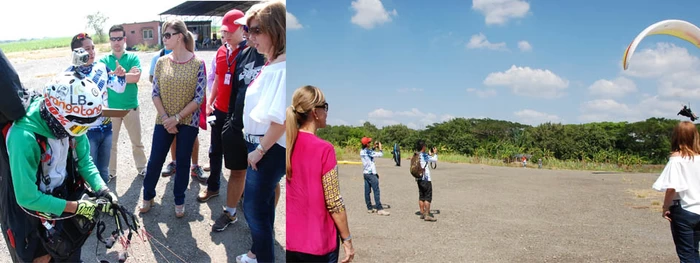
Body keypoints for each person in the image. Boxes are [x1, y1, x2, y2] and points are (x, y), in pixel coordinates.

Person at [3, 71, 119, 262]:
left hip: (61, 198)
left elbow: (84, 161)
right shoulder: (23, 138)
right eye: (79, 128)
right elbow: (27, 197)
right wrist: (76, 208)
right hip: (31, 215)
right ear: (57, 116)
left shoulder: (72, 121)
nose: (81, 133)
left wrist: (102, 189)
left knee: (70, 249)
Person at [140, 19, 206, 218]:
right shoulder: (161, 61)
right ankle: (147, 196)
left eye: (168, 35)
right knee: (155, 161)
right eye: (163, 35)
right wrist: (166, 118)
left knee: (183, 162)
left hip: (187, 122)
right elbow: (155, 93)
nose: (164, 39)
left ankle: (179, 200)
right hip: (163, 120)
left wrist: (177, 118)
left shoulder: (198, 63)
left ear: (180, 36)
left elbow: (199, 97)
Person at [237, 1, 287, 262]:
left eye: (256, 30)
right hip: (262, 145)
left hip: (269, 147)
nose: (250, 36)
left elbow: (282, 119)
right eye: (248, 30)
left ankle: (262, 257)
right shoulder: (273, 63)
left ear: (276, 29)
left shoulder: (283, 67)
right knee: (263, 205)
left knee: (254, 209)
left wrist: (260, 150)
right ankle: (258, 253)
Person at [286, 85, 355, 263]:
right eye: (325, 107)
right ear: (315, 112)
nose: (327, 112)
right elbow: (333, 201)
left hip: (290, 241)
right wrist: (347, 239)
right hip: (318, 243)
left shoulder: (287, 143)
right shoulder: (324, 149)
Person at [197, 8, 246, 209]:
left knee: (240, 157)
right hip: (219, 110)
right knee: (214, 151)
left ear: (242, 29)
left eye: (229, 31)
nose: (225, 34)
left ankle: (241, 192)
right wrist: (210, 101)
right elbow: (218, 78)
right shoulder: (220, 51)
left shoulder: (249, 53)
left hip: (238, 115)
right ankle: (213, 186)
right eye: (224, 31)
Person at [67, 32, 127, 184]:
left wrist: (121, 76)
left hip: (106, 129)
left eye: (93, 47)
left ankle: (104, 205)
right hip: (85, 133)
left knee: (104, 171)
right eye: (87, 48)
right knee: (88, 174)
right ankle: (91, 205)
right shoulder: (68, 75)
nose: (92, 51)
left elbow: (119, 88)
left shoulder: (102, 67)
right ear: (77, 52)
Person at [101, 25, 147, 180]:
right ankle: (110, 172)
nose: (116, 42)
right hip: (111, 109)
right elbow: (105, 79)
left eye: (119, 38)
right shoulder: (104, 60)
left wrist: (117, 76)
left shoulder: (132, 57)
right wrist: (124, 75)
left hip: (130, 108)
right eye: (113, 39)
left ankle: (142, 167)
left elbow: (136, 78)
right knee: (111, 144)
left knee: (137, 142)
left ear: (124, 39)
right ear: (110, 40)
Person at [652, 121, 700, 262]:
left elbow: (672, 187)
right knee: (694, 251)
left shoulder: (676, 159)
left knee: (686, 255)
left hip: (684, 210)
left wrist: (665, 207)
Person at [360, 137, 390, 216]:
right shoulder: (368, 152)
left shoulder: (362, 151)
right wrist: (380, 148)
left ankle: (369, 207)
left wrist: (373, 147)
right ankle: (379, 209)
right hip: (371, 174)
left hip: (366, 173)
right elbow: (380, 154)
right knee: (376, 191)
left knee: (367, 191)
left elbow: (369, 154)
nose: (370, 143)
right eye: (369, 142)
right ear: (367, 144)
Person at [415, 140, 438, 222]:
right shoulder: (424, 155)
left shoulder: (416, 155)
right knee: (427, 197)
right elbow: (434, 160)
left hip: (419, 178)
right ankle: (427, 214)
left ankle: (422, 213)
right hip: (426, 178)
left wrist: (429, 154)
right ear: (423, 147)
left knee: (421, 196)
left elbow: (424, 160)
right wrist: (435, 153)